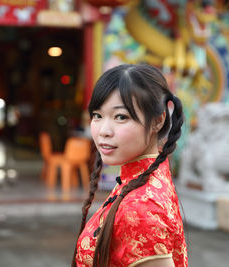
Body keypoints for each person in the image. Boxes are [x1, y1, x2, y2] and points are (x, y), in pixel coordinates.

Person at [72, 64, 187, 267]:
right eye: (97, 115)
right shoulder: (145, 176)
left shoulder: (141, 207)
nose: (103, 131)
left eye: (121, 117)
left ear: (157, 121)